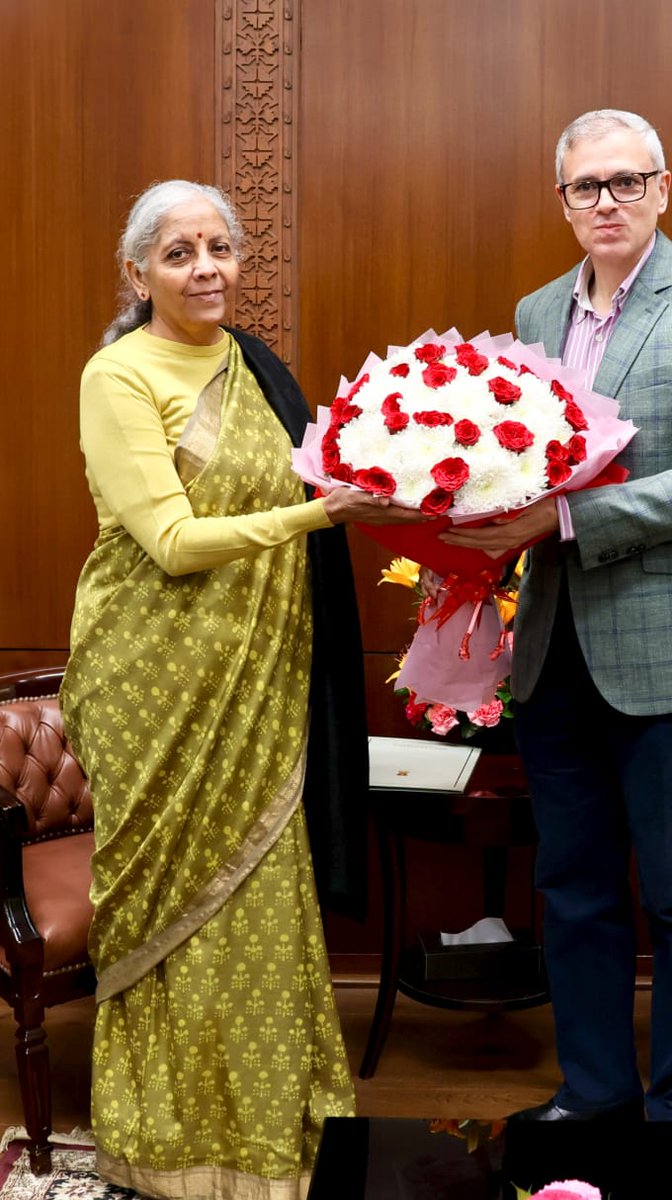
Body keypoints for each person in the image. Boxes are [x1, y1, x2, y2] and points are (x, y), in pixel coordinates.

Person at [59, 179, 424, 1199]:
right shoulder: (118, 376)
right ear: (138, 272)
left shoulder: (255, 364)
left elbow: (316, 474)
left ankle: (270, 1131)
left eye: (220, 247)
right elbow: (172, 544)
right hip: (154, 679)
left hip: (260, 670)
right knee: (170, 900)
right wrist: (323, 515)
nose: (205, 268)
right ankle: (167, 1142)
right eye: (179, 253)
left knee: (261, 896)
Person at [437, 109, 672, 1121]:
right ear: (564, 201)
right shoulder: (536, 311)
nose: (608, 201)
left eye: (628, 181)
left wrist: (566, 519)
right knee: (573, 892)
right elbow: (517, 463)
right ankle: (592, 1095)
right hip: (556, 652)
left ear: (663, 189)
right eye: (587, 186)